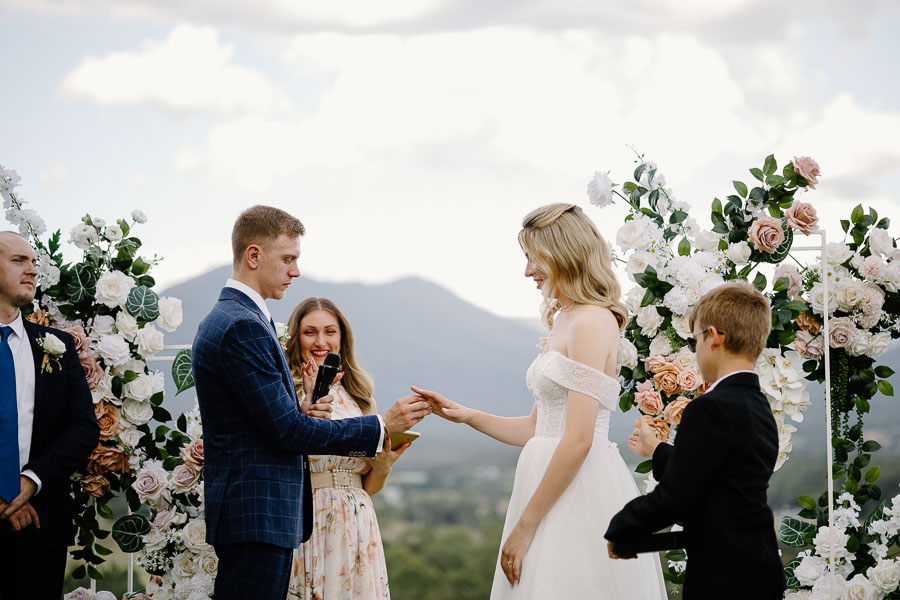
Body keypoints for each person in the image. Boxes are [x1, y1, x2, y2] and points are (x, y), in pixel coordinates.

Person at [414, 204, 666, 599]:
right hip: (543, 480)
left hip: (578, 488)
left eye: (534, 258)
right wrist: (466, 415)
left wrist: (525, 525)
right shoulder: (564, 318)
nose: (527, 270)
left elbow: (578, 438)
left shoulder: (592, 321)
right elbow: (537, 427)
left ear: (564, 254)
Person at [192, 206, 430, 600]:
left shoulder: (237, 318)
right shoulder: (242, 325)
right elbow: (288, 432)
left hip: (260, 518)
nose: (296, 271)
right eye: (288, 259)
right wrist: (382, 425)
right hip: (258, 516)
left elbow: (268, 421)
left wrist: (300, 411)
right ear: (254, 255)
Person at [605, 281, 785, 600]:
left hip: (723, 578)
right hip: (761, 568)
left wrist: (622, 526)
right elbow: (715, 479)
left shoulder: (709, 408)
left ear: (713, 337)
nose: (695, 351)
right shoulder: (759, 407)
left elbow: (676, 497)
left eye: (693, 341)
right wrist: (657, 449)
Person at [284, 297, 406, 600]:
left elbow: (368, 486)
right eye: (310, 332)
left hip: (357, 520)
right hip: (308, 517)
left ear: (342, 338)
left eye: (330, 331)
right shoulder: (285, 390)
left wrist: (383, 466)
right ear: (295, 338)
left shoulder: (361, 396)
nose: (320, 341)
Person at [0, 231, 100, 599]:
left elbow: (83, 427)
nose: (32, 270)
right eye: (18, 261)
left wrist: (28, 483)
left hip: (40, 526)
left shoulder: (56, 347)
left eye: (33, 262)